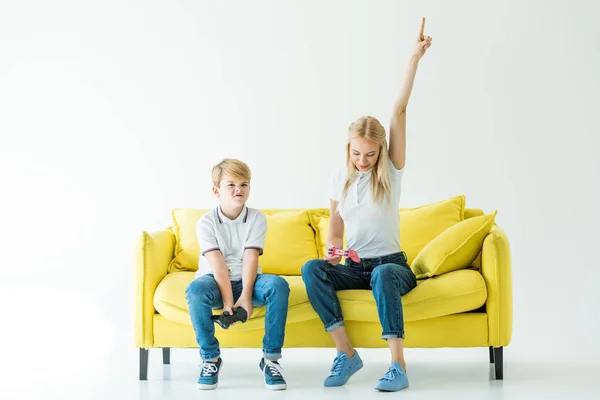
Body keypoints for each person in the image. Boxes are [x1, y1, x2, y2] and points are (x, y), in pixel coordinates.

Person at [301, 18, 432, 392]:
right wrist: (332, 250)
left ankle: (398, 366)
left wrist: (414, 59)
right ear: (348, 148)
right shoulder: (339, 178)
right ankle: (346, 353)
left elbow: (399, 111)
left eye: (370, 154)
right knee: (311, 269)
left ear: (381, 152)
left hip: (391, 266)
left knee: (382, 275)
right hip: (354, 266)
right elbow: (336, 226)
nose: (363, 160)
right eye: (357, 153)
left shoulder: (391, 171)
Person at [185, 158, 290, 390]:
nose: (238, 190)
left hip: (248, 280)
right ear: (216, 190)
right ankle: (210, 358)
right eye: (231, 184)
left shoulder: (257, 218)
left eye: (244, 184)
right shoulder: (205, 222)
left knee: (278, 285)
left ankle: (270, 360)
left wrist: (245, 294)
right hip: (214, 280)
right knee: (195, 290)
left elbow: (251, 257)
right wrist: (228, 302)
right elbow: (218, 264)